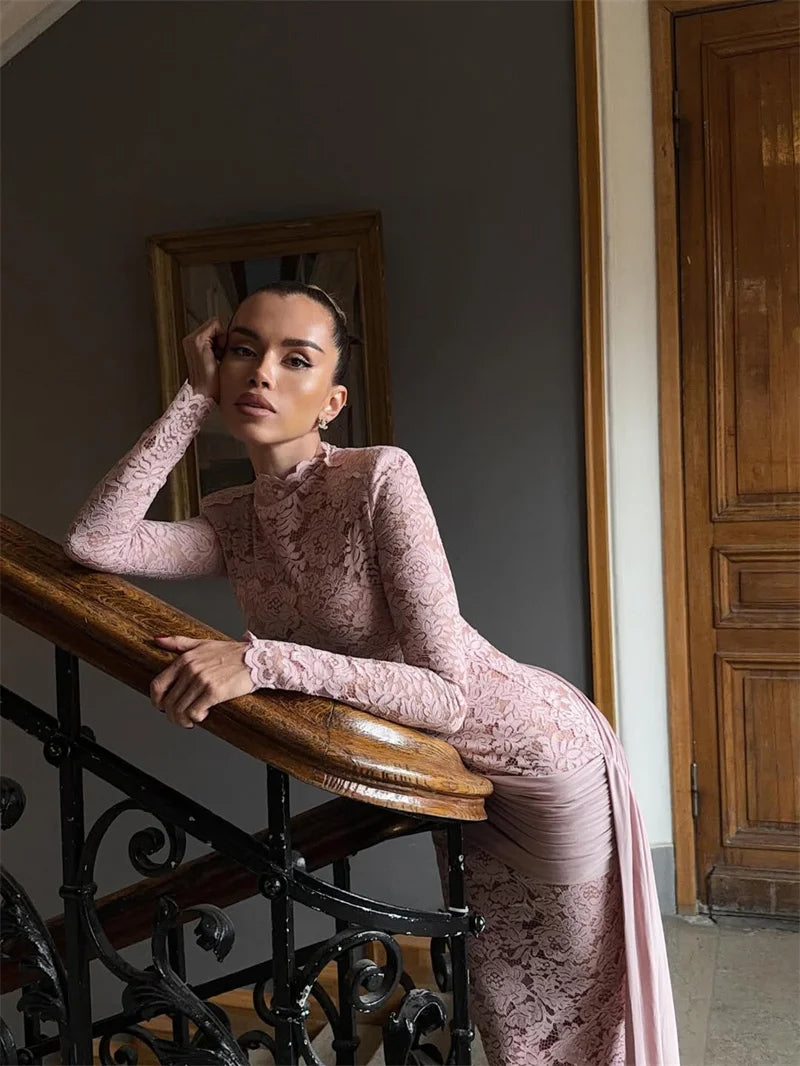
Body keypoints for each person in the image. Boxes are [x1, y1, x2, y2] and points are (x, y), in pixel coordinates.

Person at [63, 282, 680, 1065]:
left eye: (296, 360)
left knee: (573, 1025)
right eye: (242, 350)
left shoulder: (380, 477)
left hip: (538, 756)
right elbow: (95, 543)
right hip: (453, 777)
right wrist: (190, 396)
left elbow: (446, 695)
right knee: (504, 1015)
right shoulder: (234, 519)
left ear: (332, 399)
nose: (261, 375)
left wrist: (261, 660)